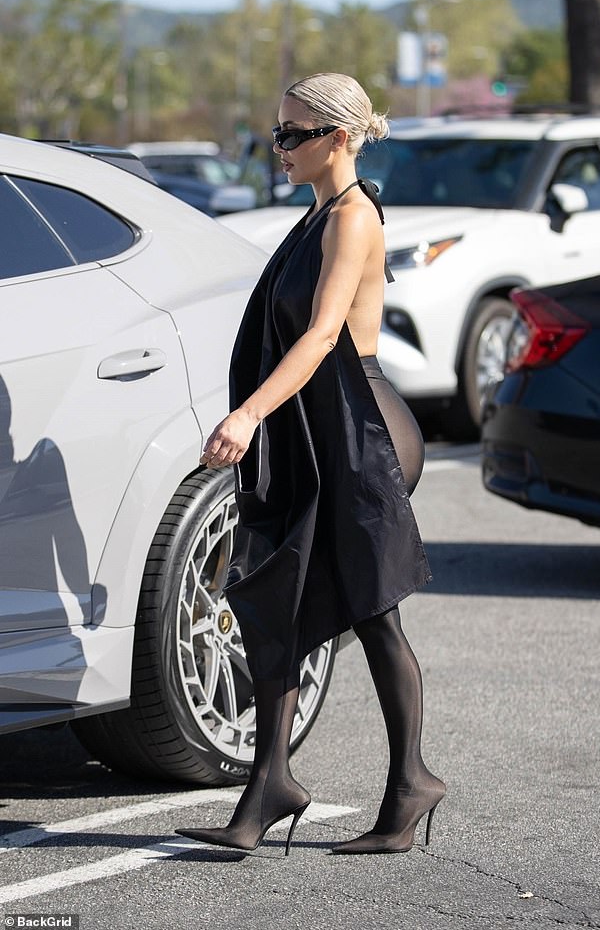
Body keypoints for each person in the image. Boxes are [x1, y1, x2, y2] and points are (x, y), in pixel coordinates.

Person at [176, 72, 445, 856]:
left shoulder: (353, 217)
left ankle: (409, 782)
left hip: (360, 426)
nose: (278, 146)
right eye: (276, 131)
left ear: (338, 137)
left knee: (370, 608)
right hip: (322, 424)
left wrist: (250, 411)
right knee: (279, 601)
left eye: (292, 134)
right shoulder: (321, 212)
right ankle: (270, 786)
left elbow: (325, 335)